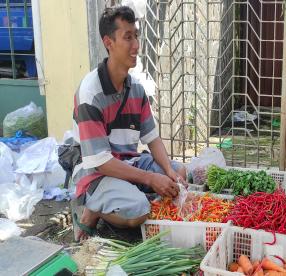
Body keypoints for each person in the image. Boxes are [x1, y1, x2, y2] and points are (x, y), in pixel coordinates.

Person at [71, 6, 187, 241]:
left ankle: (126, 193)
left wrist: (167, 172)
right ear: (108, 42)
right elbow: (101, 162)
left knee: (179, 172)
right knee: (138, 210)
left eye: (136, 35)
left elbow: (152, 138)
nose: (136, 45)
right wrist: (151, 179)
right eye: (127, 37)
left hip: (128, 162)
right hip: (95, 172)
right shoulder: (90, 93)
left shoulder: (135, 88)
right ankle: (91, 210)